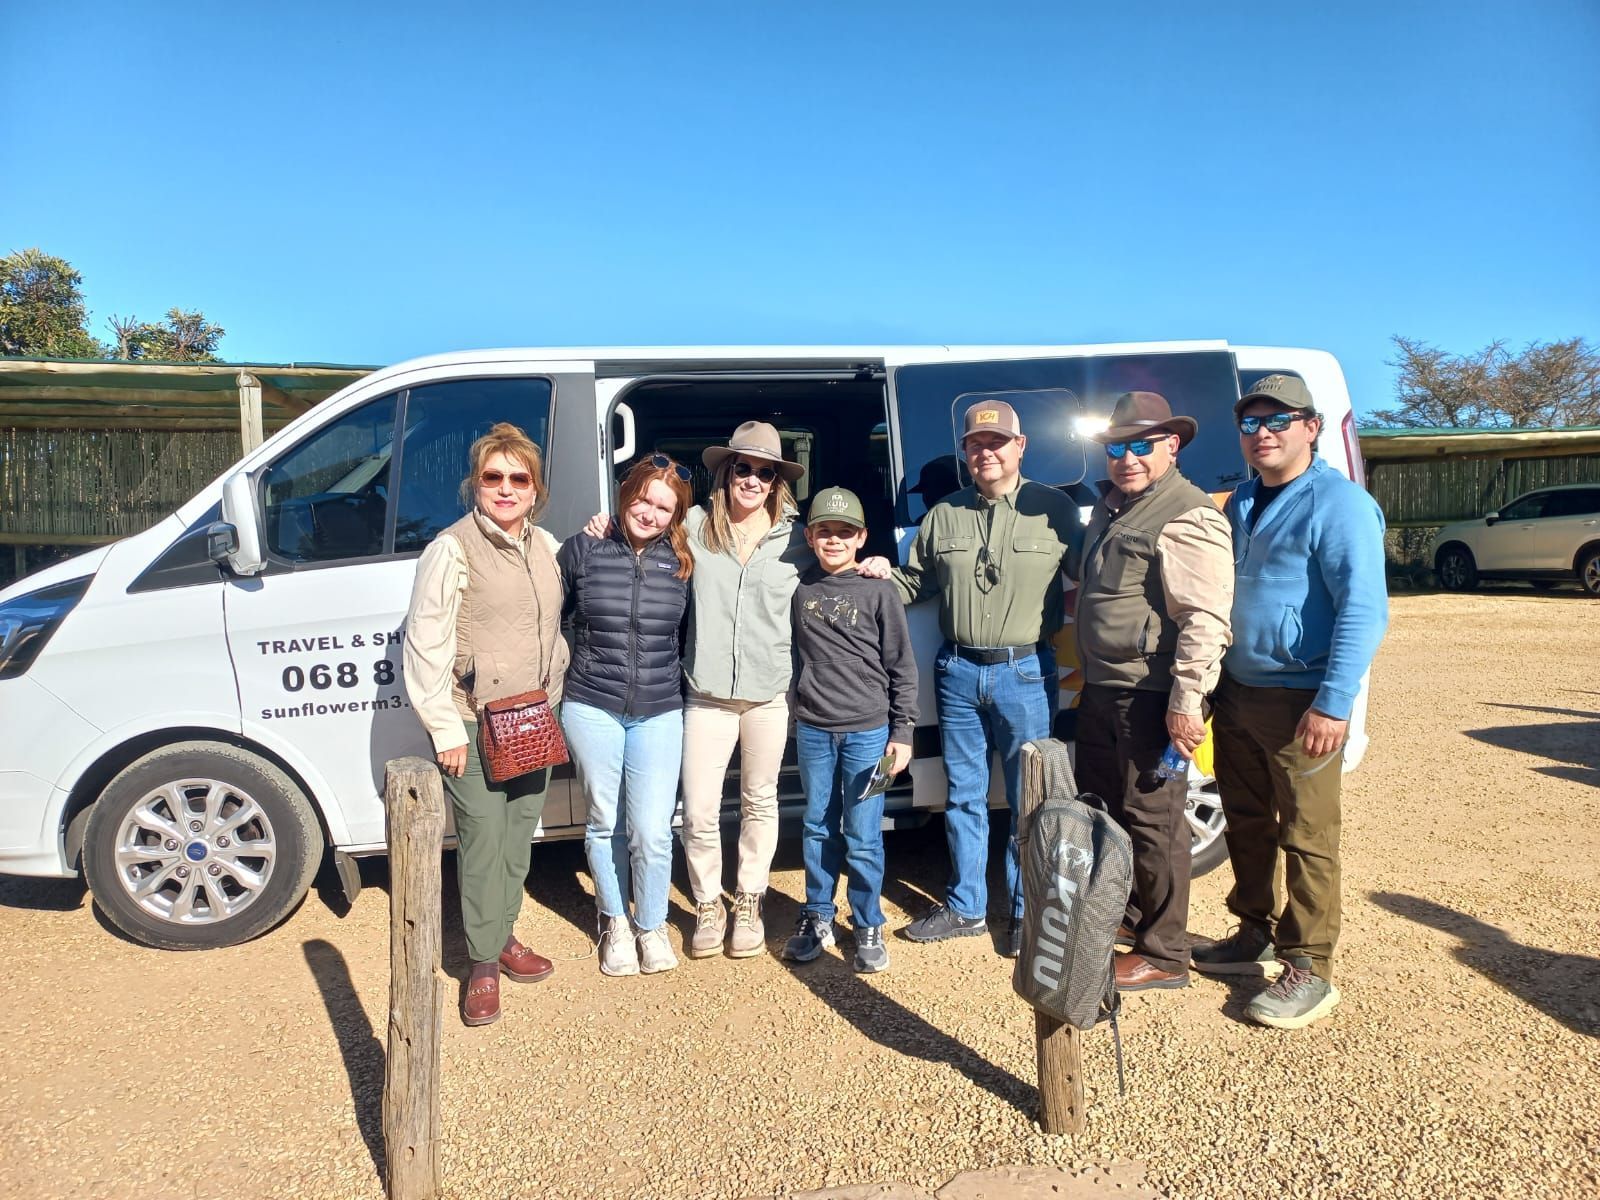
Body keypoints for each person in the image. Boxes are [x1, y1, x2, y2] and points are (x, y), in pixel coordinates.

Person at [1191, 374, 1388, 1029]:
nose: (1263, 434)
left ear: (1312, 427)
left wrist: (1334, 703)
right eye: (1250, 424)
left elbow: (1363, 608)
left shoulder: (1339, 504)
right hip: (1240, 694)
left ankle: (1311, 966)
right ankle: (1255, 931)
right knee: (1247, 822)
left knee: (1307, 834)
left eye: (1279, 421)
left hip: (1302, 700)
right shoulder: (1241, 501)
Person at [860, 399, 1082, 956]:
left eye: (997, 442)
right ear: (965, 451)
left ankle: (1025, 912)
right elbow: (918, 584)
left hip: (1025, 669)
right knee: (964, 796)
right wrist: (879, 576)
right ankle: (966, 909)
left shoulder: (1053, 510)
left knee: (1030, 800)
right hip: (957, 670)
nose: (986, 452)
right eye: (976, 444)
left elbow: (1100, 577)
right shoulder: (944, 515)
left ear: (1020, 446)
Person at [403, 422, 567, 1027]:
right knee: (481, 838)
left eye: (518, 478)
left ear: (535, 488)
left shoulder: (547, 547)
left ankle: (503, 935)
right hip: (474, 722)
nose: (505, 488)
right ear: (476, 483)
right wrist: (444, 727)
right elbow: (425, 643)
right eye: (493, 477)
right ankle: (482, 963)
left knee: (520, 834)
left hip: (532, 718)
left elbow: (554, 629)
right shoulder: (450, 549)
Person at [1074, 391, 1234, 992]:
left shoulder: (1186, 513)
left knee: (1154, 820)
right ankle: (1136, 920)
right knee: (1111, 808)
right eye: (1117, 446)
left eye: (1142, 444)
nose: (1127, 457)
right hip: (1106, 688)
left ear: (1173, 445)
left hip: (1150, 692)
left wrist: (1186, 701)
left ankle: (1165, 954)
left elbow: (1205, 618)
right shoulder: (1114, 508)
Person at [559, 454, 694, 977]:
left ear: (676, 515)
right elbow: (554, 617)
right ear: (625, 495)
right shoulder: (584, 548)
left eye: (664, 507)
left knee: (653, 829)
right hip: (593, 703)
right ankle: (615, 920)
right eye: (643, 499)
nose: (651, 513)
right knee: (603, 821)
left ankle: (652, 923)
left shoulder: (683, 562)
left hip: (659, 708)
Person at [780, 487, 918, 974]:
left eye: (844, 532)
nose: (833, 540)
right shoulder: (799, 589)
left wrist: (902, 732)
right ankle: (818, 915)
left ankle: (867, 922)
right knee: (817, 825)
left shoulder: (879, 589)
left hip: (868, 733)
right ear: (809, 536)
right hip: (815, 729)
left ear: (861, 537)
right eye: (824, 531)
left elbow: (901, 664)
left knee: (862, 834)